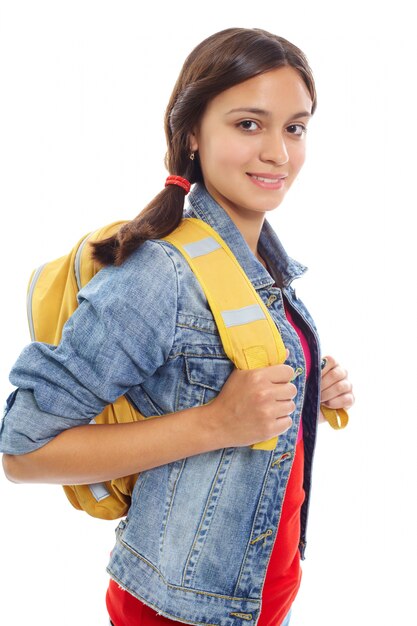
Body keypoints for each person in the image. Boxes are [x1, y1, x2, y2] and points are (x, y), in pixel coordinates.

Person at [0, 27, 354, 626]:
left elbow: (213, 394)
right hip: (177, 614)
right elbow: (23, 450)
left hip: (262, 600)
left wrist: (303, 395)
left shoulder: (263, 265)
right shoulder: (158, 272)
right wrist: (218, 422)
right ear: (191, 133)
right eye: (249, 124)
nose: (279, 152)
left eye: (294, 127)